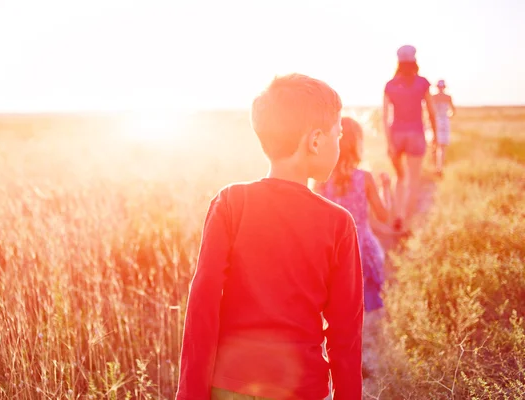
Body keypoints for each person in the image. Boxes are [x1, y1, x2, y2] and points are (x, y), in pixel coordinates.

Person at [176, 74, 364, 400]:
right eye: (338, 133)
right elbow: (345, 334)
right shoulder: (338, 224)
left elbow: (202, 307)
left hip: (229, 386)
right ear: (315, 141)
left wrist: (191, 395)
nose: (339, 142)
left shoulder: (230, 203)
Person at [316, 117, 392, 314]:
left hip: (333, 254)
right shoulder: (364, 178)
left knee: (339, 311)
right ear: (356, 145)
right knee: (366, 313)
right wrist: (387, 187)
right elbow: (384, 216)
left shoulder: (321, 180)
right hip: (365, 254)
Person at [383, 45, 437, 231]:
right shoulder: (422, 83)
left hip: (396, 135)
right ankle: (406, 222)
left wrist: (389, 142)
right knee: (413, 180)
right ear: (414, 61)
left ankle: (398, 214)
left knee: (400, 177)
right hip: (416, 134)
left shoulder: (390, 85)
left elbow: (385, 117)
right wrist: (436, 137)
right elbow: (431, 112)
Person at [432, 79, 456, 176]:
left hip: (436, 120)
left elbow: (429, 109)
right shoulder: (448, 97)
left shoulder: (433, 97)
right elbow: (453, 111)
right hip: (444, 121)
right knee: (441, 146)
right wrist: (447, 116)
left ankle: (438, 167)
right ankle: (439, 167)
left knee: (437, 145)